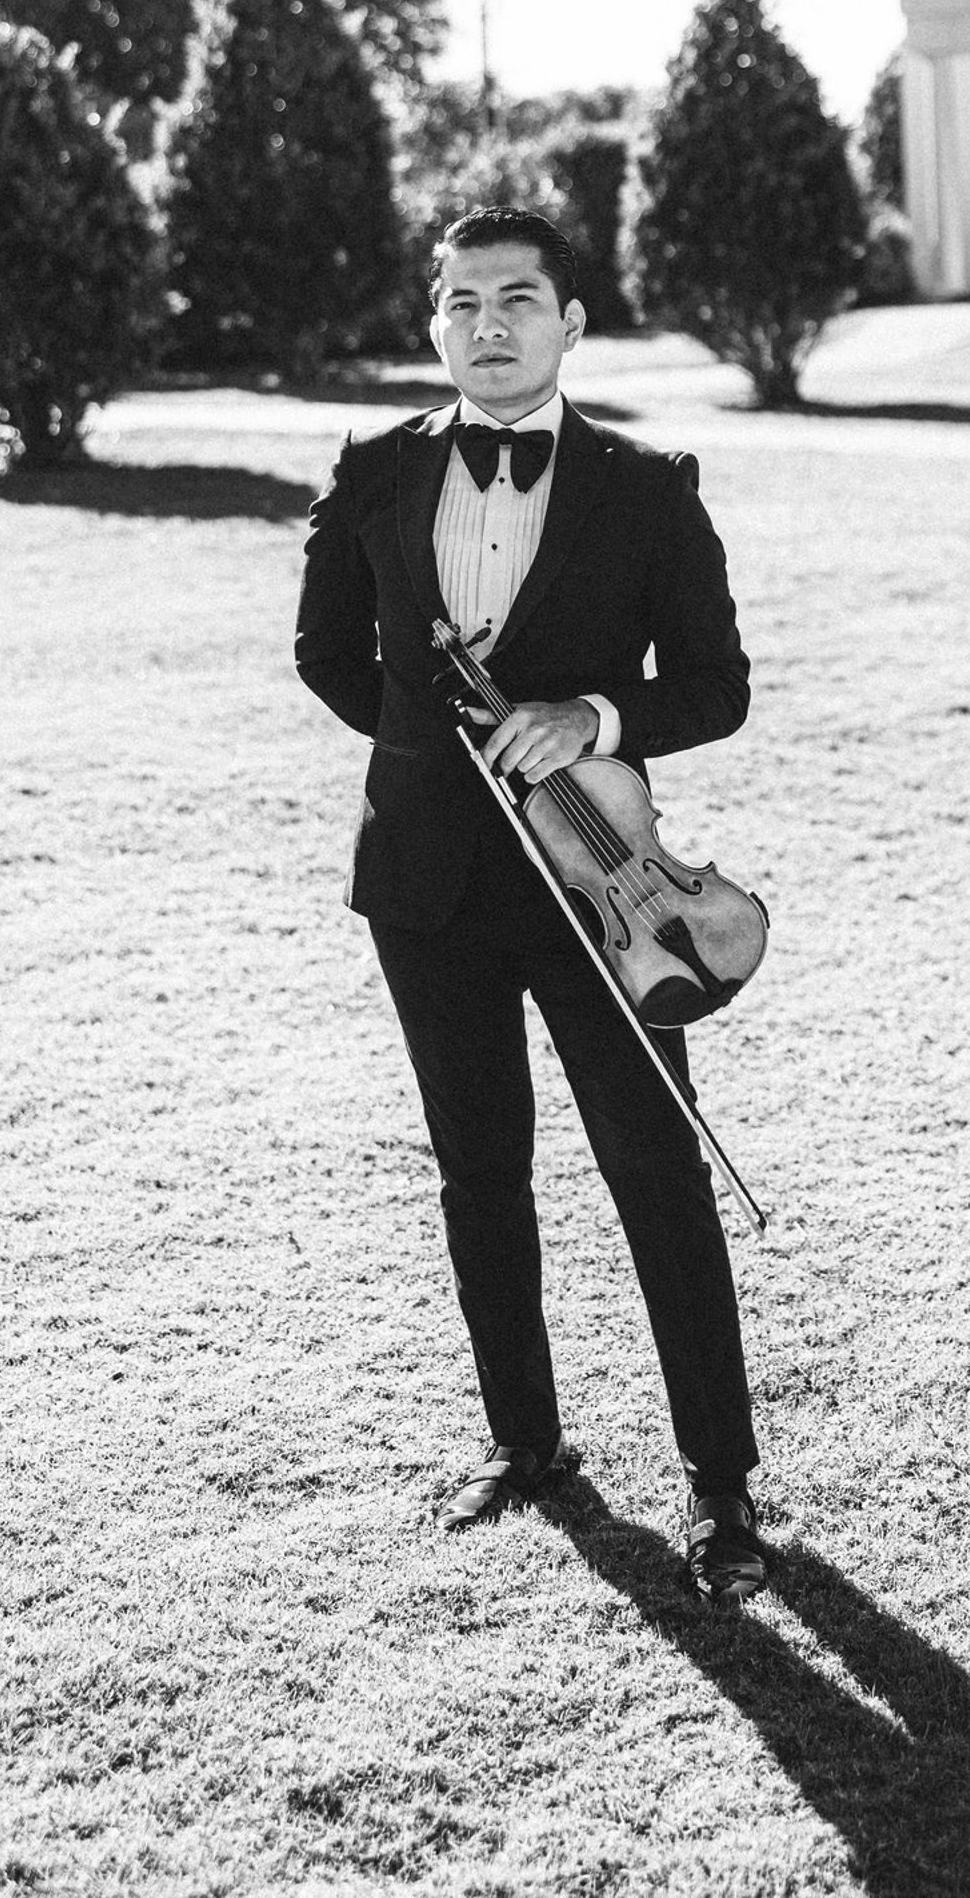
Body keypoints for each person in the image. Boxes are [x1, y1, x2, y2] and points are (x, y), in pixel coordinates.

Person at [294, 204, 767, 1601]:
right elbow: (329, 657)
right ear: (431, 323)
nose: (485, 325)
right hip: (426, 883)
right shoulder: (375, 471)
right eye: (459, 303)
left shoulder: (648, 484)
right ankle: (528, 1441)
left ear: (571, 322)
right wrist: (426, 756)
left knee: (655, 1171)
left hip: (600, 889)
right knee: (478, 1171)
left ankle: (723, 1490)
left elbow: (719, 685)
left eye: (516, 298)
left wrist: (594, 716)